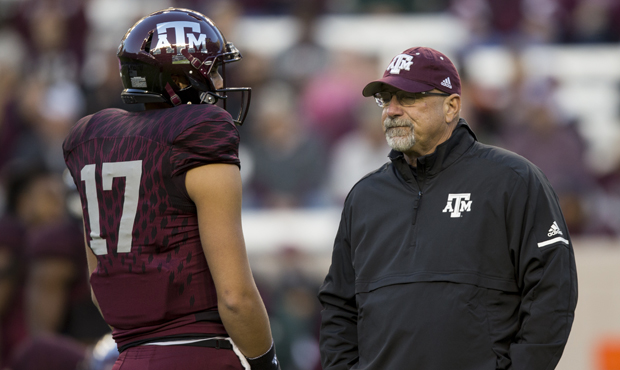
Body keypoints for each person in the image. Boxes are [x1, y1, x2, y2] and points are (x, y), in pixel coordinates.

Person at [317, 46, 577, 370]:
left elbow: (553, 289)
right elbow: (339, 306)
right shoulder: (364, 197)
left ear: (451, 106)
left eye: (408, 98)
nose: (392, 111)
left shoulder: (513, 179)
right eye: (386, 99)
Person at [62, 8, 279, 370]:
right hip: (197, 354)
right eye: (213, 72)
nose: (222, 85)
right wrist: (266, 362)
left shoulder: (90, 139)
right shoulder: (199, 132)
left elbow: (99, 286)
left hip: (126, 356)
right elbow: (235, 297)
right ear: (180, 79)